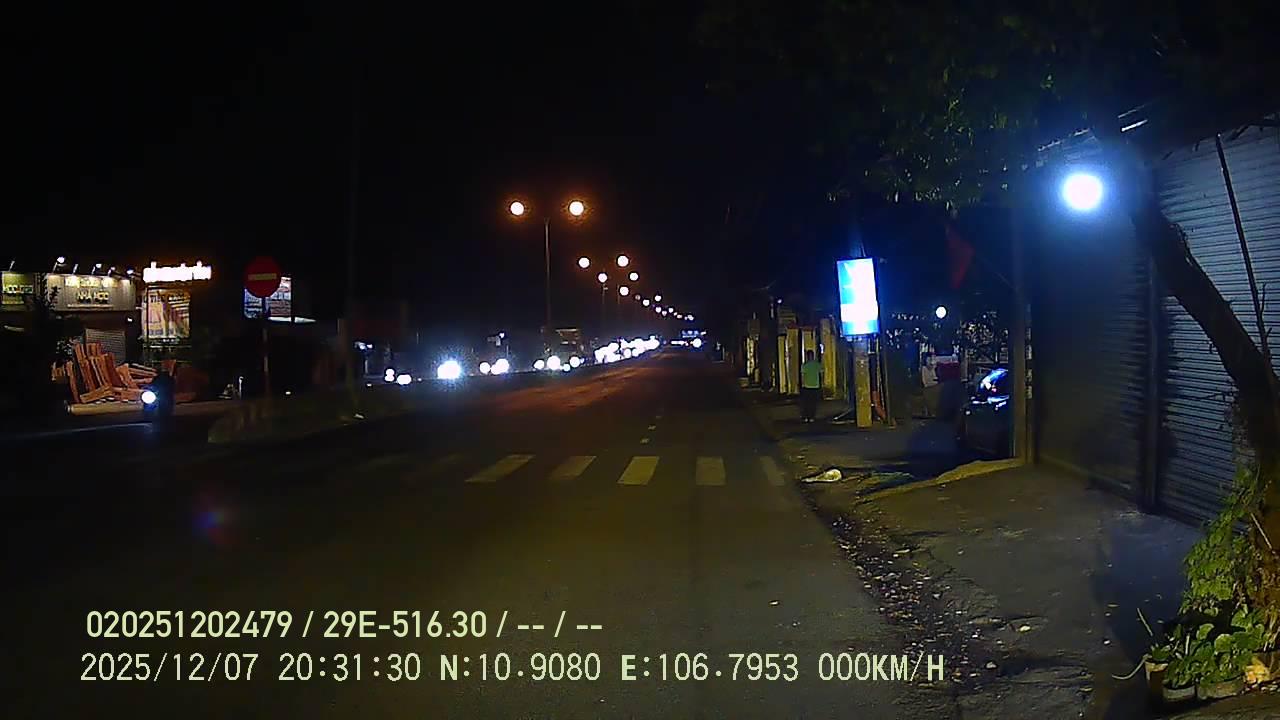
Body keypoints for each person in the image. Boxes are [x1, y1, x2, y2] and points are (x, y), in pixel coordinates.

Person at [800, 349, 823, 423]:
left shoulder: (804, 365)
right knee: (813, 403)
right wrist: (821, 384)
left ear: (807, 356)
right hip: (815, 386)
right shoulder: (817, 365)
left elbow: (803, 376)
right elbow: (821, 374)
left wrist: (802, 385)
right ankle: (812, 417)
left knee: (806, 403)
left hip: (807, 386)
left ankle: (806, 417)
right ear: (813, 356)